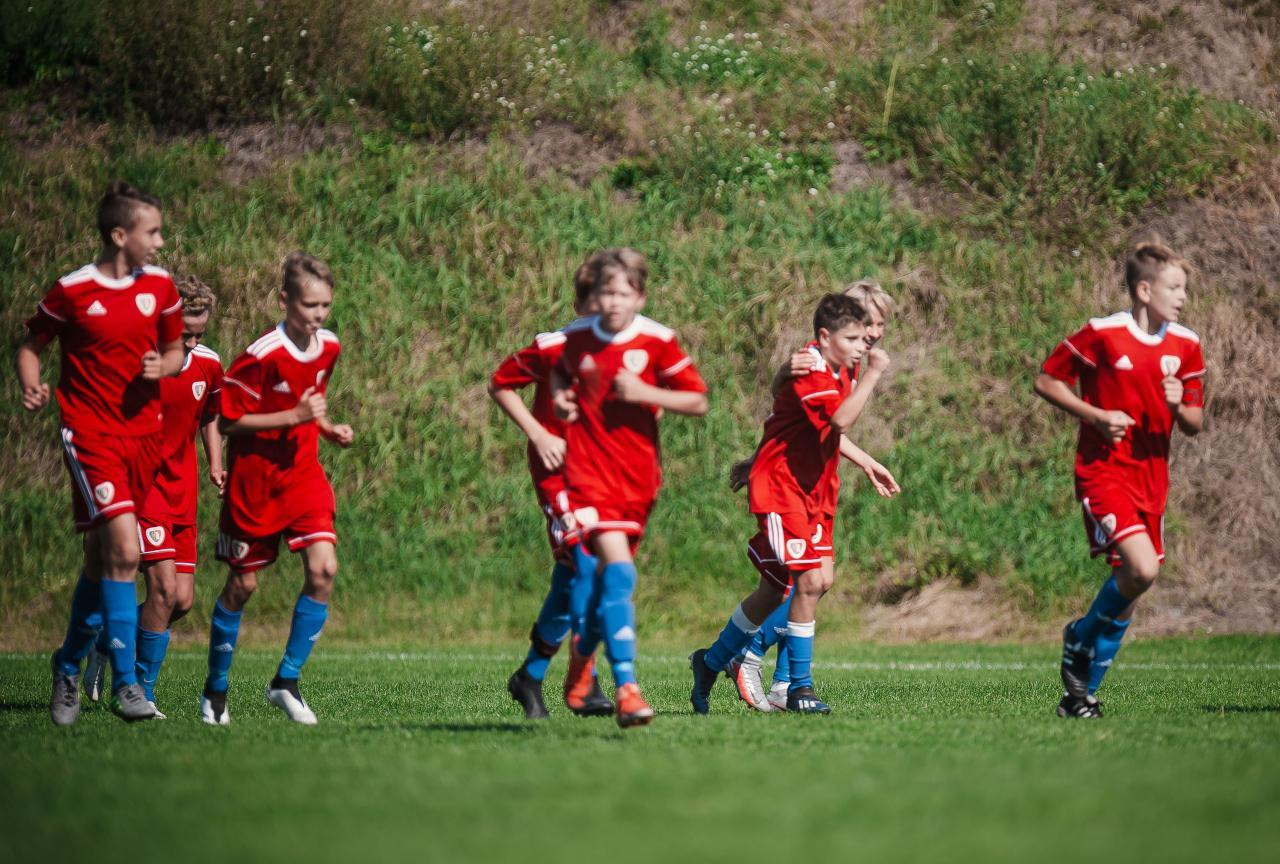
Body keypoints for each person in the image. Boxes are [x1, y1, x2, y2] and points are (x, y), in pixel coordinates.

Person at [18, 180, 184, 724]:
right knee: (126, 553)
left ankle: (67, 665)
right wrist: (32, 383)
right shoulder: (72, 290)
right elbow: (31, 345)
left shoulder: (160, 287)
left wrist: (165, 364)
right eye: (151, 232)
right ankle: (127, 684)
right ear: (119, 235)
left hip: (145, 437)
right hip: (90, 436)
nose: (159, 242)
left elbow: (175, 349)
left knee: (100, 560)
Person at [691, 292, 888, 715]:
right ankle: (796, 686)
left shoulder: (841, 364)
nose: (867, 341)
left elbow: (791, 418)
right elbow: (838, 420)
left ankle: (712, 662)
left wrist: (866, 461)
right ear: (828, 336)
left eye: (874, 330)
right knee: (808, 582)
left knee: (781, 587)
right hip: (783, 491)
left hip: (814, 489)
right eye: (859, 334)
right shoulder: (814, 367)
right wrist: (874, 375)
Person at [1035, 242, 1206, 718]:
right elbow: (1047, 380)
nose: (1183, 297)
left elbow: (1195, 423)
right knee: (1143, 569)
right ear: (1144, 290)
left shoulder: (1186, 344)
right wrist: (1095, 415)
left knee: (1130, 585)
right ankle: (1079, 637)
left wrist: (1178, 404)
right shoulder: (1102, 334)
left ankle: (1080, 697)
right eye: (1175, 288)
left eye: (1185, 289)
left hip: (1152, 481)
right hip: (1104, 473)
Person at [552, 248, 709, 727]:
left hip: (637, 480)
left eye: (624, 293)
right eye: (607, 292)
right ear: (595, 295)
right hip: (586, 476)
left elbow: (698, 401)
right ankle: (627, 689)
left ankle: (581, 663)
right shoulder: (575, 338)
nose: (614, 302)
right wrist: (558, 397)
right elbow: (556, 369)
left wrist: (645, 393)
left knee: (605, 584)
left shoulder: (657, 341)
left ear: (640, 297)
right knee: (620, 575)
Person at [202, 252, 354, 726]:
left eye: (325, 305)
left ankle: (286, 681)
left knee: (324, 569)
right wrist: (293, 417)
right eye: (310, 305)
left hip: (303, 476)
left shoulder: (329, 346)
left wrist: (326, 428)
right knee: (242, 586)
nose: (319, 315)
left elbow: (311, 402)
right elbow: (227, 420)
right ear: (285, 299)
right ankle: (216, 689)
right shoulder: (261, 355)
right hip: (256, 484)